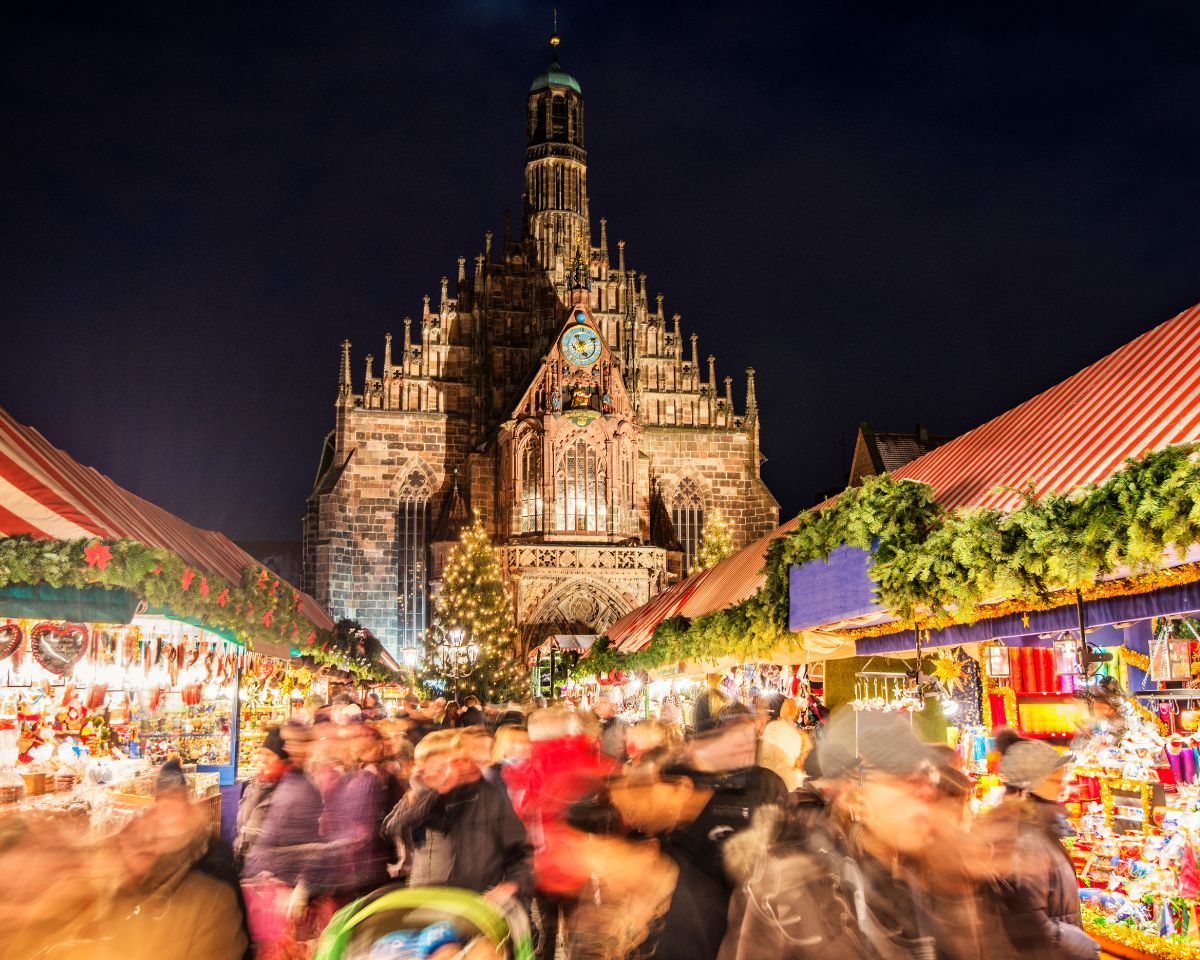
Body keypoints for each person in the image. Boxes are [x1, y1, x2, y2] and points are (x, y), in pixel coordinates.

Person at [976, 736, 1098, 959]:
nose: (1061, 786)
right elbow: (1027, 923)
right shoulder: (1023, 839)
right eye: (1054, 780)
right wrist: (1080, 945)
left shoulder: (1036, 830)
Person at [383, 729, 533, 904]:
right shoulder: (423, 796)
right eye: (429, 766)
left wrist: (512, 884)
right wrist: (421, 793)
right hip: (423, 897)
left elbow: (520, 851)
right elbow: (393, 829)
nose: (434, 772)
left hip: (474, 902)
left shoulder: (488, 796)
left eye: (442, 765)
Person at [233, 726, 291, 871]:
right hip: (246, 865)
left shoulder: (286, 789)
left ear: (283, 759)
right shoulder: (256, 785)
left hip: (270, 871)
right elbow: (243, 826)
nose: (263, 759)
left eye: (270, 755)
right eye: (262, 753)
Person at [593, 691, 629, 761]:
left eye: (604, 703)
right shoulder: (591, 724)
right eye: (599, 703)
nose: (600, 706)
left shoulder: (623, 725)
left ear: (612, 706)